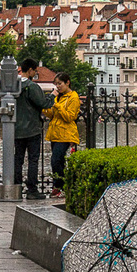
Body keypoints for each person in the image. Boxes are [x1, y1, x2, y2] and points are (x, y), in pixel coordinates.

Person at [13, 57, 54, 199]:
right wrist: (53, 96)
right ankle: (31, 190)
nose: (36, 73)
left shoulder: (13, 85)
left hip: (16, 129)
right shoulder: (32, 87)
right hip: (32, 129)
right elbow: (43, 104)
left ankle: (16, 187)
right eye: (35, 70)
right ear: (30, 70)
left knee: (17, 159)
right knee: (33, 159)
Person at [46, 72, 81, 201]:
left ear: (67, 83)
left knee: (56, 160)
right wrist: (47, 107)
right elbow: (52, 115)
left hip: (66, 134)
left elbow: (69, 116)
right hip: (55, 133)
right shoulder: (58, 97)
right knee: (57, 161)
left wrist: (57, 105)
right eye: (56, 84)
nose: (58, 87)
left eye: (60, 84)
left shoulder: (73, 97)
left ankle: (60, 186)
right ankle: (59, 186)